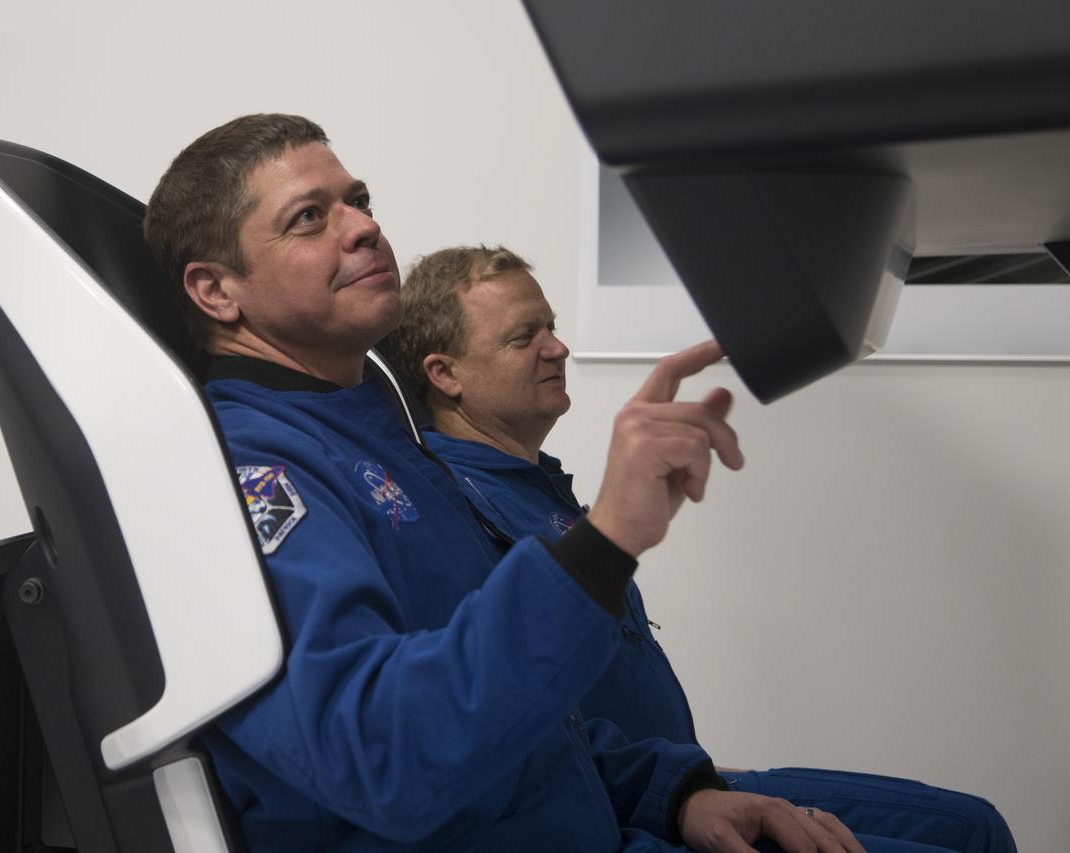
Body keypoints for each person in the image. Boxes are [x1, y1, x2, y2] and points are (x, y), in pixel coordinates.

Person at [143, 113, 949, 853]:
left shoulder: (378, 435)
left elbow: (533, 732)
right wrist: (604, 541)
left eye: (359, 200)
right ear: (217, 290)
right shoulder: (254, 476)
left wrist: (673, 795)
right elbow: (382, 758)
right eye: (310, 217)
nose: (365, 227)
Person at [379, 244, 1018, 853]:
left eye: (552, 326)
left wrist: (692, 773)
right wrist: (676, 793)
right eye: (525, 338)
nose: (559, 348)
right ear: (445, 374)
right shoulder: (455, 512)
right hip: (627, 803)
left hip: (676, 776)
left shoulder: (537, 490)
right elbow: (514, 717)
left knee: (971, 827)